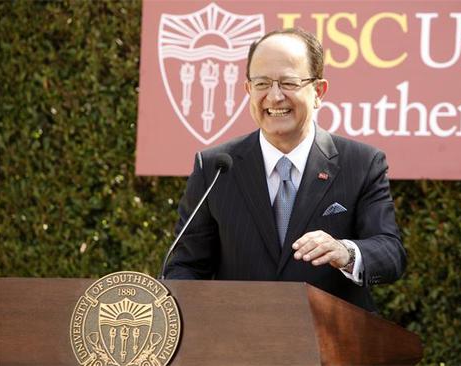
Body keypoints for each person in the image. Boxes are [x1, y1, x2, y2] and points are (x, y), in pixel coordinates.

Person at [163, 28, 406, 312]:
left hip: (331, 346)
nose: (275, 97)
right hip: (238, 344)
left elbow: (390, 253)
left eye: (288, 83)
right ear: (248, 90)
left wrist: (346, 252)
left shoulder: (362, 163)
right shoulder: (215, 167)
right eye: (262, 83)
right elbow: (184, 265)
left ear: (318, 91)